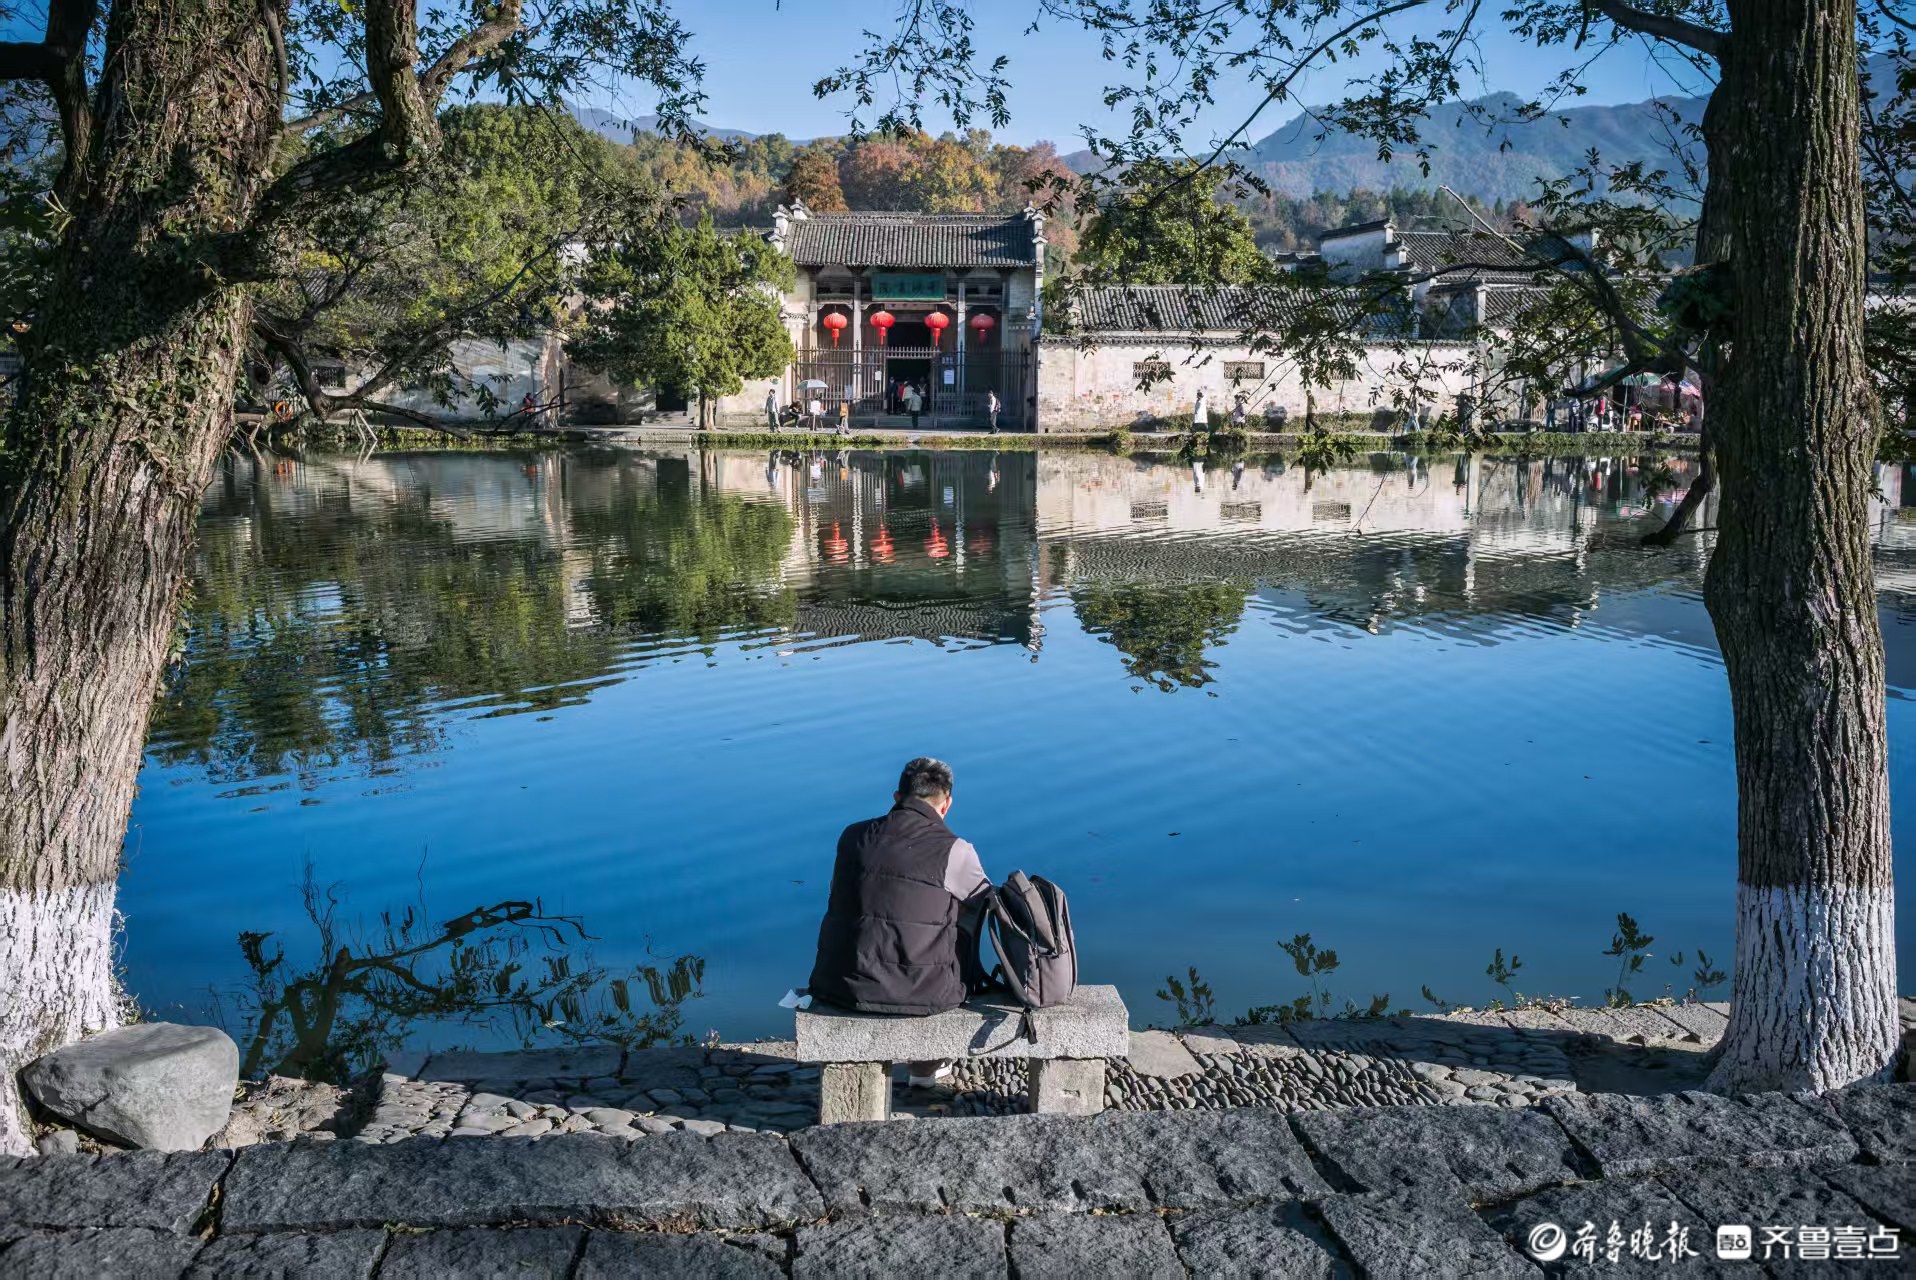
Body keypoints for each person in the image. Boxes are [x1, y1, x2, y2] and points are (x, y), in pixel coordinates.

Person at [809, 757, 990, 1087]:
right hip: (923, 994)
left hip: (841, 984)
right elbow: (986, 904)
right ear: (946, 804)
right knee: (962, 921)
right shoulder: (955, 850)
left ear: (896, 798)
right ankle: (925, 1070)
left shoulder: (853, 836)